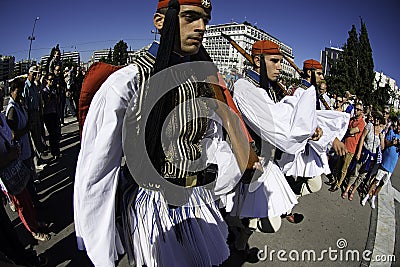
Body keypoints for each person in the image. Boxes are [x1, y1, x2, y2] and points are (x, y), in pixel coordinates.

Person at [74, 1, 250, 266]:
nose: (201, 27)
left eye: (205, 20)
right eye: (191, 17)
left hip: (196, 197)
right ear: (160, 21)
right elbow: (98, 168)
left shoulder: (198, 80)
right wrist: (101, 248)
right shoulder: (129, 81)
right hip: (153, 207)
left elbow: (209, 140)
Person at [227, 40, 321, 256]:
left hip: (265, 163)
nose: (280, 66)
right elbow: (280, 127)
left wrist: (310, 128)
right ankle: (234, 233)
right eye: (275, 61)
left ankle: (238, 238)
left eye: (280, 61)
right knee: (255, 220)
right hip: (246, 166)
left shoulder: (264, 88)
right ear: (258, 61)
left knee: (266, 221)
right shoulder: (245, 87)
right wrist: (301, 101)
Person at [2, 79, 50, 242]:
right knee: (21, 202)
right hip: (10, 167)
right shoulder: (11, 111)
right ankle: (33, 230)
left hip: (18, 159)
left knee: (27, 195)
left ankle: (35, 220)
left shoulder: (14, 108)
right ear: (12, 91)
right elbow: (13, 134)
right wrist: (25, 130)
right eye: (18, 90)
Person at [342, 111, 385, 200]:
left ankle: (353, 190)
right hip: (365, 152)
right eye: (375, 118)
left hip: (372, 156)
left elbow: (382, 147)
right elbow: (362, 138)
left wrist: (381, 139)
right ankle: (347, 189)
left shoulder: (382, 132)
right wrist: (359, 152)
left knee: (362, 175)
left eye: (378, 119)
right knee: (356, 171)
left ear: (381, 121)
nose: (376, 120)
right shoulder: (369, 126)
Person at [362, 118, 400, 208]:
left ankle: (373, 198)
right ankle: (367, 195)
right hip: (385, 163)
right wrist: (392, 143)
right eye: (399, 125)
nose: (399, 128)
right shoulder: (391, 132)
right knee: (376, 180)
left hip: (391, 166)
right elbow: (385, 144)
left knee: (382, 183)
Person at [329, 102, 366, 192]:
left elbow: (351, 131)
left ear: (362, 112)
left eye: (358, 109)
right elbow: (345, 128)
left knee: (343, 168)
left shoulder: (361, 123)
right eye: (355, 108)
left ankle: (338, 184)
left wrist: (348, 131)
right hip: (344, 144)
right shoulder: (352, 119)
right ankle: (334, 180)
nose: (356, 111)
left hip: (351, 148)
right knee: (338, 165)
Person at [23, 66, 47, 167]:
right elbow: (25, 103)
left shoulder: (34, 86)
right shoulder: (26, 87)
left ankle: (39, 157)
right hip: (31, 113)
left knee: (38, 136)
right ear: (29, 74)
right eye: (34, 74)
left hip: (37, 112)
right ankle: (36, 161)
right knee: (33, 138)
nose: (36, 76)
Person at [42, 73, 61, 159]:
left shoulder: (54, 90)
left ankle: (57, 150)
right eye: (50, 80)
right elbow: (45, 103)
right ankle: (54, 152)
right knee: (52, 133)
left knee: (56, 133)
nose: (52, 81)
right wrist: (50, 96)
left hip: (54, 112)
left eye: (53, 80)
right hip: (48, 114)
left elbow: (57, 101)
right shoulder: (44, 91)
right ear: (46, 81)